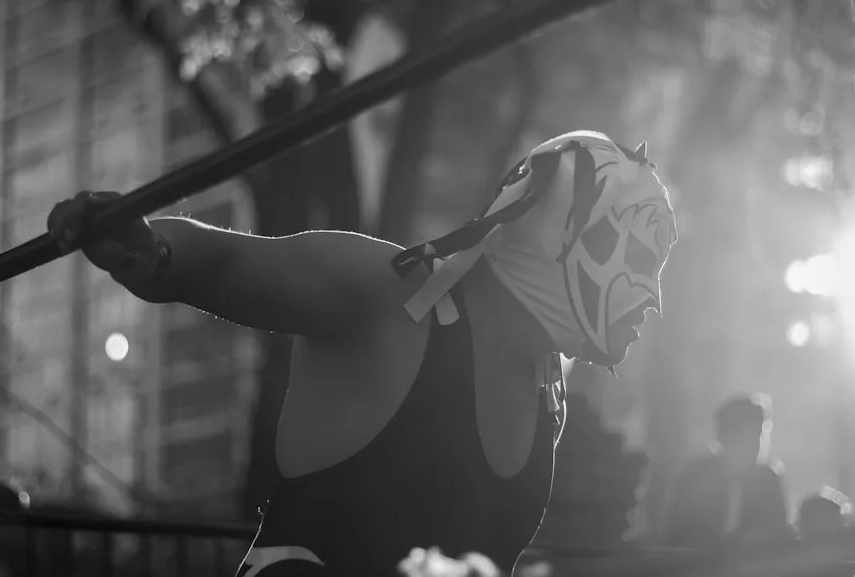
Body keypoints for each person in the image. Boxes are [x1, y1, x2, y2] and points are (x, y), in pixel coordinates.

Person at [49, 131, 678, 576]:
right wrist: (151, 249)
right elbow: (226, 262)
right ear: (565, 232)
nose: (652, 297)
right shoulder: (389, 297)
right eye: (642, 258)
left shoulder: (549, 388)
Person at [664, 393, 790, 549]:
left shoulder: (767, 481)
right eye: (742, 437)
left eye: (757, 436)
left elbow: (778, 534)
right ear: (721, 436)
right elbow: (677, 534)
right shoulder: (696, 478)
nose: (752, 446)